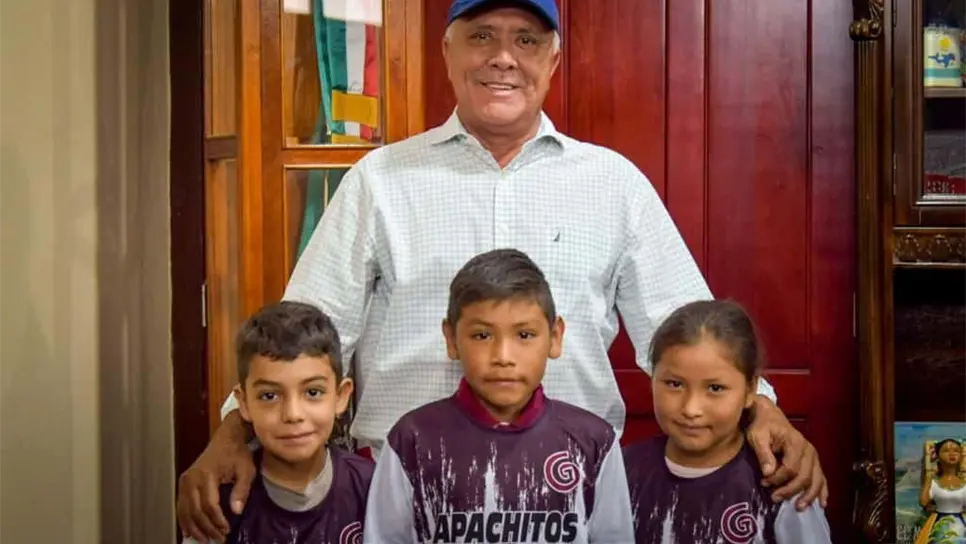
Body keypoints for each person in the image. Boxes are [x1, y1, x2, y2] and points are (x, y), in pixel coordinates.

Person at [177, 0, 827, 539]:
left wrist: (761, 410)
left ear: (552, 59)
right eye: (481, 36)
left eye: (524, 38)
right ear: (448, 51)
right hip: (404, 502)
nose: (502, 56)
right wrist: (236, 429)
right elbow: (306, 332)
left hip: (569, 504)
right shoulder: (380, 181)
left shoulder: (612, 185)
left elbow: (692, 332)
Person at [363, 249, 635, 543]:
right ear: (451, 339)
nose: (503, 357)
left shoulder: (594, 442)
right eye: (482, 335)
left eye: (524, 335)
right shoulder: (412, 440)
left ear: (555, 337)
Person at [624, 300, 831, 544]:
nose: (691, 409)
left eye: (715, 388)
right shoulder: (621, 471)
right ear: (652, 379)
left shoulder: (783, 484)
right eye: (674, 384)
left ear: (750, 389)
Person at [182, 301, 373, 543]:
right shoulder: (217, 503)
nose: (293, 414)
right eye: (269, 396)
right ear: (243, 403)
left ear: (341, 396)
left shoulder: (372, 487)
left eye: (313, 392)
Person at [915, 438, 966, 544]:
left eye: (956, 451)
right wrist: (929, 477)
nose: (952, 454)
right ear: (937, 455)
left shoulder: (964, 483)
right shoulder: (934, 482)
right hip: (939, 524)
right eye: (946, 451)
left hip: (962, 525)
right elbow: (923, 502)